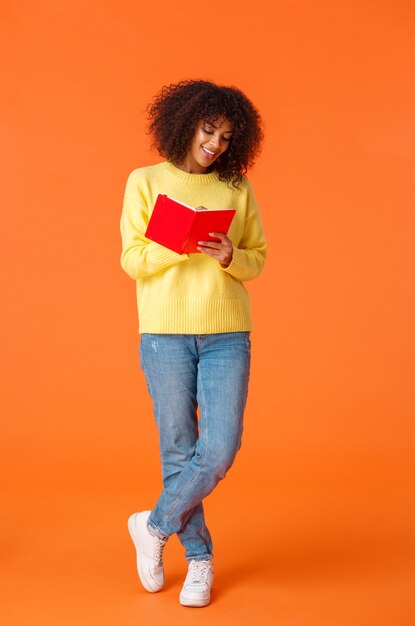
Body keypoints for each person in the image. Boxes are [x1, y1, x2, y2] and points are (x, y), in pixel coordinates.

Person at [120, 79, 267, 608]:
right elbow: (132, 261)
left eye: (228, 137)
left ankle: (153, 525)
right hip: (163, 332)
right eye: (210, 131)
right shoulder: (145, 181)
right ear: (185, 124)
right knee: (179, 449)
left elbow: (258, 258)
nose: (216, 145)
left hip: (227, 330)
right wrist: (171, 244)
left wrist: (230, 254)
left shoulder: (235, 188)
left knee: (221, 446)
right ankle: (200, 560)